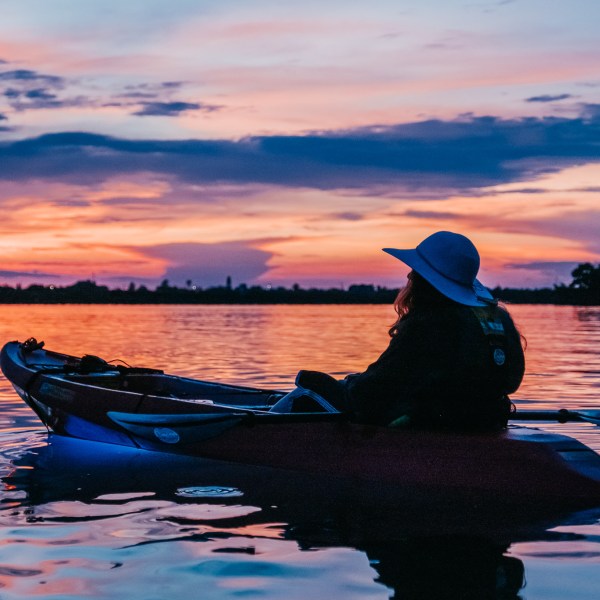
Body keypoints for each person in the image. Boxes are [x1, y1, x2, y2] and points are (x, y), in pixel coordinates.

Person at [295, 231, 525, 431]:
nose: (408, 276)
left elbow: (370, 392)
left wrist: (345, 384)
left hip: (433, 426)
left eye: (415, 271)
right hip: (483, 420)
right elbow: (511, 381)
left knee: (307, 383)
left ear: (425, 281)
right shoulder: (498, 317)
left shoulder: (429, 323)